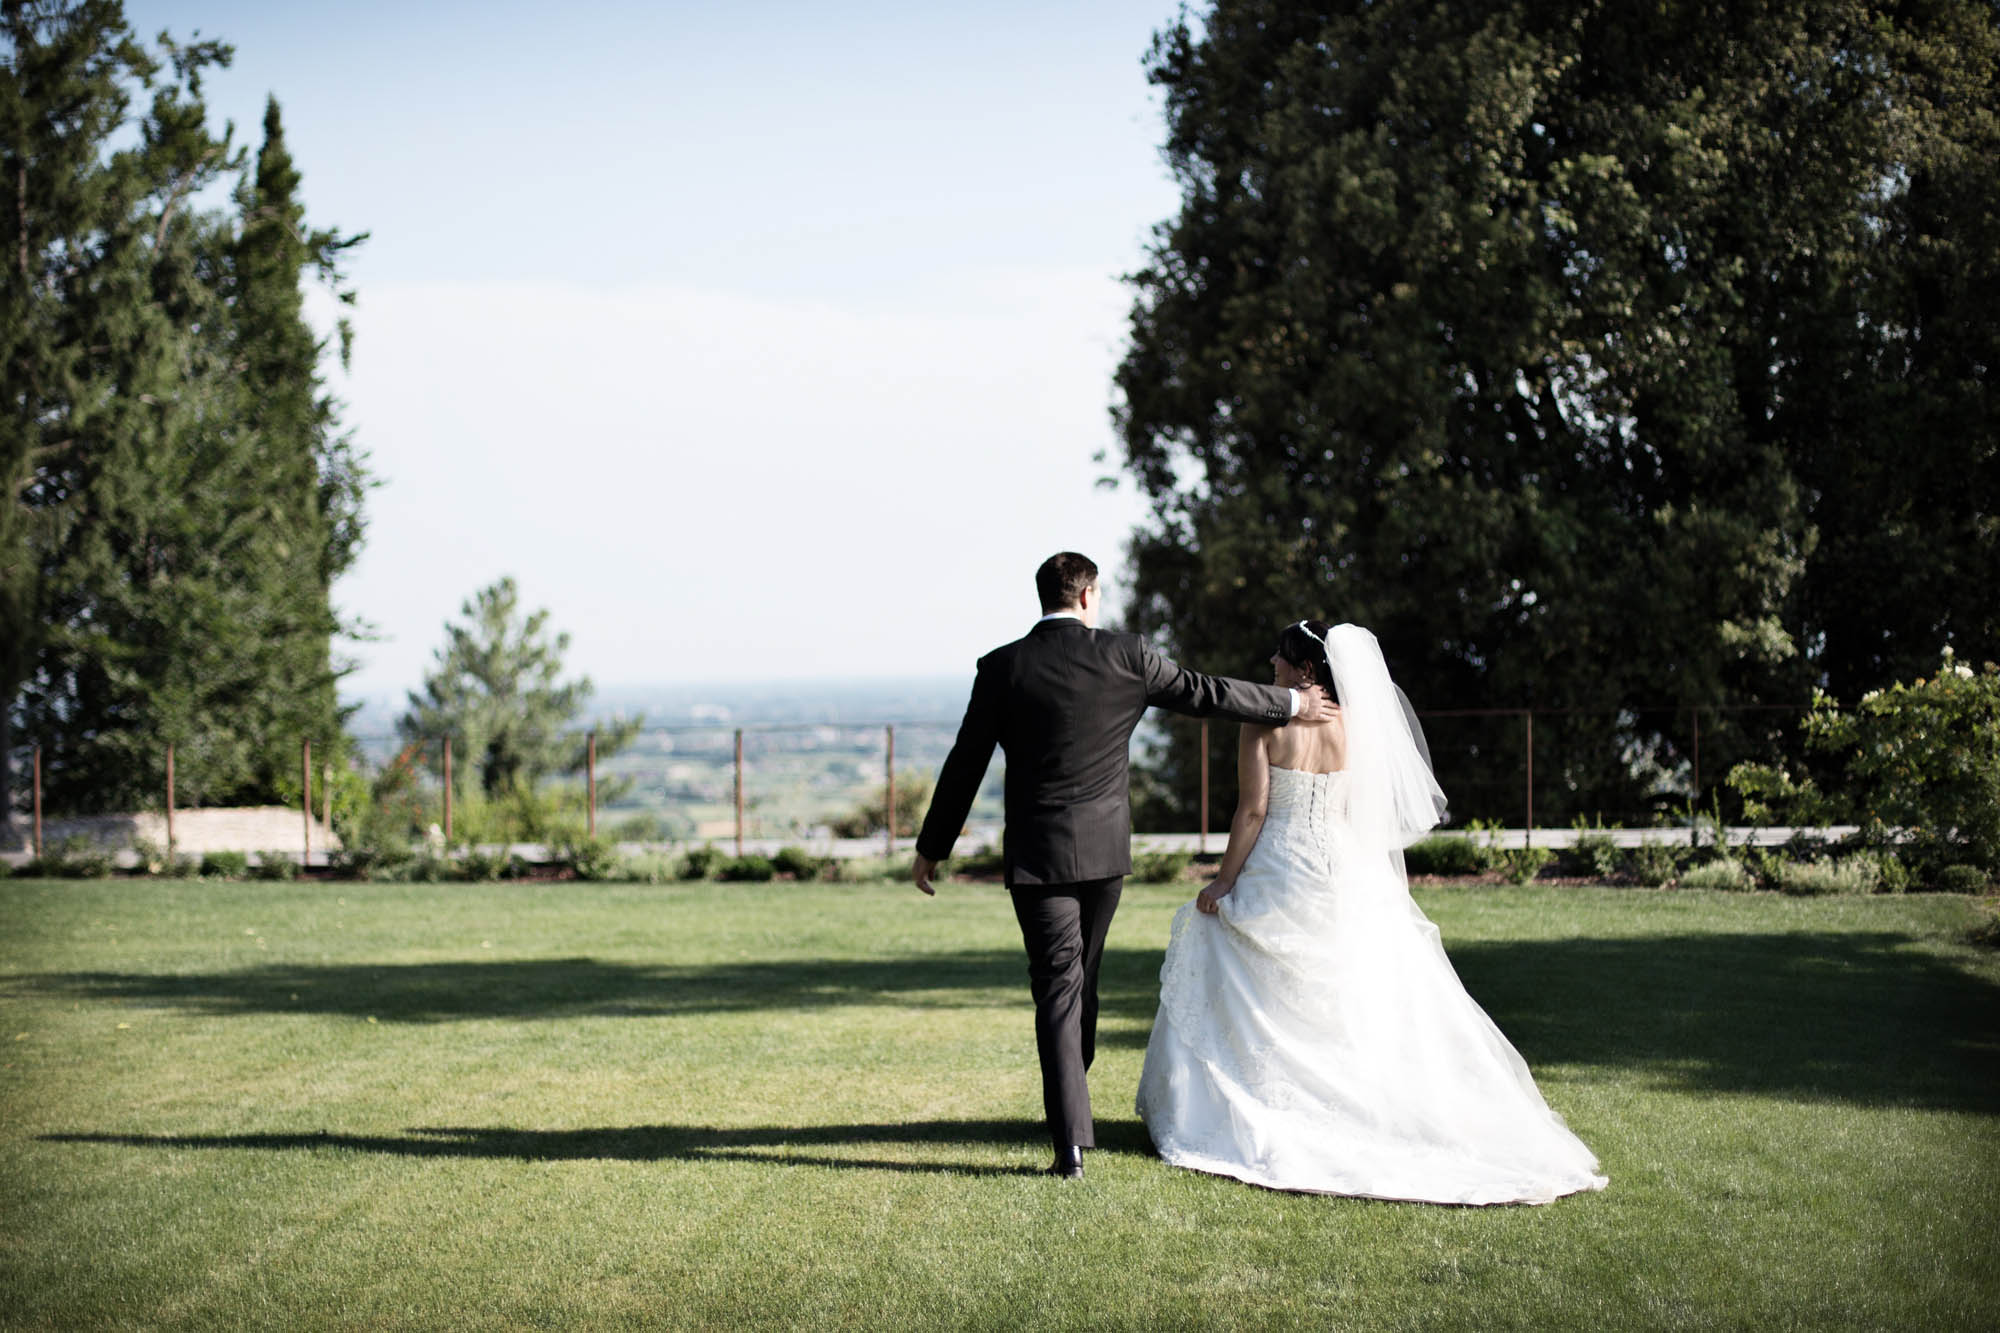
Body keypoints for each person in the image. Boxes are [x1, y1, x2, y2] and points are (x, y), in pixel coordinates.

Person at [1136, 620, 1609, 1204]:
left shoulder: (1263, 722)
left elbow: (1253, 812)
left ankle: (1262, 1105)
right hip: (1343, 867)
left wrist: (1226, 880)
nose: (1271, 663)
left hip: (1279, 863)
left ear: (1306, 670)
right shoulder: (1358, 725)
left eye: (1281, 657)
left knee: (1225, 945)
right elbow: (1362, 808)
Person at [912, 553, 1333, 1180]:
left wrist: (933, 846)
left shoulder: (1002, 667)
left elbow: (965, 760)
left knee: (1062, 987)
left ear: (1046, 597)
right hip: (1104, 853)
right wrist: (1290, 703)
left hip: (1038, 856)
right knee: (1079, 981)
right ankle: (1070, 1123)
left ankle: (1069, 1137)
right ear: (1088, 596)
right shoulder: (1128, 655)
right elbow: (1206, 693)